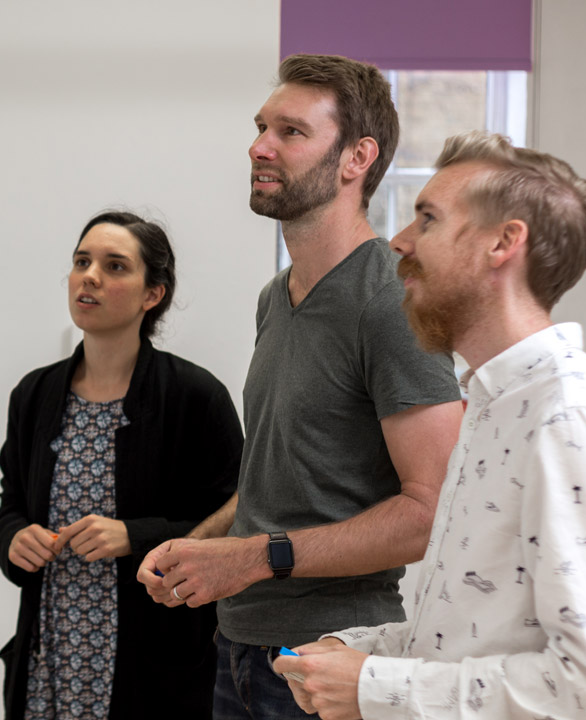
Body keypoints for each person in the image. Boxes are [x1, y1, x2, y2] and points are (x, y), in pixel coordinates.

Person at [136, 54, 464, 719]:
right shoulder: (274, 298)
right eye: (262, 127)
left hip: (332, 658)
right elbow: (281, 473)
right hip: (240, 652)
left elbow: (430, 515)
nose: (260, 146)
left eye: (292, 132)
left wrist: (252, 558)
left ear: (356, 158)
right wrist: (205, 547)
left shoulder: (391, 302)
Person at [273, 133, 586, 719]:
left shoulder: (568, 417)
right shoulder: (490, 405)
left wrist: (375, 686)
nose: (400, 242)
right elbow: (475, 630)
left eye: (428, 220)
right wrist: (357, 650)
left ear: (503, 242)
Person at [0, 211, 245, 720]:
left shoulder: (195, 397)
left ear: (153, 294)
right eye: (82, 261)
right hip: (50, 652)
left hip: (156, 662)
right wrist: (14, 538)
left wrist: (136, 535)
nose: (90, 276)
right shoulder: (35, 395)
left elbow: (241, 520)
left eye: (114, 266)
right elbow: (10, 506)